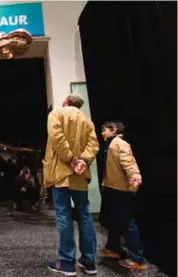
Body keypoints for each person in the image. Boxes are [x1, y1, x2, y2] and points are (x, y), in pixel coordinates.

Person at [43, 93, 99, 276]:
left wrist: (71, 160)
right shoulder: (87, 122)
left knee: (64, 215)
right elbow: (94, 145)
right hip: (80, 175)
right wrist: (82, 161)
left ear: (66, 101)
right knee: (84, 215)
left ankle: (66, 262)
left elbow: (57, 138)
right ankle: (89, 262)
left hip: (60, 173)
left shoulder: (56, 114)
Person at [99, 122, 148, 270]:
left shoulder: (120, 144)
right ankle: (113, 249)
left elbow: (128, 161)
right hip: (113, 188)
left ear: (114, 130)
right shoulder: (112, 144)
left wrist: (135, 175)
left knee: (127, 224)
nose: (102, 133)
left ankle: (137, 260)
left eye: (104, 130)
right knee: (114, 221)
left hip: (121, 190)